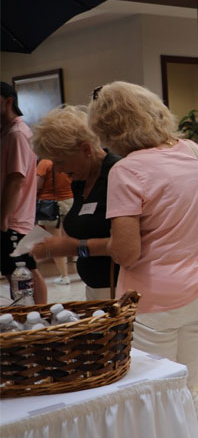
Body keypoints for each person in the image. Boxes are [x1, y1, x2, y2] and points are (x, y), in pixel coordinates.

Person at [87, 81, 198, 438]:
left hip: (150, 302)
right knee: (183, 390)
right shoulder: (193, 153)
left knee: (159, 400)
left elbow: (127, 251)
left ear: (111, 131)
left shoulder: (127, 171)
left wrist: (82, 245)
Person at [30, 106, 121, 301]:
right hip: (97, 289)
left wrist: (74, 247)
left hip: (121, 290)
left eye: (61, 161)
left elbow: (128, 245)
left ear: (86, 149)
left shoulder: (117, 175)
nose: (59, 170)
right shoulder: (80, 181)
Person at [1, 81, 48, 304]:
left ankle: (40, 316)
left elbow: (16, 179)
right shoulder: (7, 132)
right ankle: (26, 315)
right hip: (11, 217)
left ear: (8, 101)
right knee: (12, 270)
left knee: (23, 269)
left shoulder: (18, 133)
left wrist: (3, 217)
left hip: (14, 218)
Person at [35, 158, 74, 284]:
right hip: (70, 201)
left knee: (55, 240)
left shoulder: (45, 163)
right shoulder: (65, 160)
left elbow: (37, 184)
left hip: (49, 205)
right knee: (70, 235)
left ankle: (64, 276)